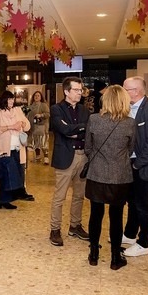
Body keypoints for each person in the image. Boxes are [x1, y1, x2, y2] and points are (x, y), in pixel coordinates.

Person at [85, 85, 135, 271]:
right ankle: (115, 257)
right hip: (120, 176)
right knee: (116, 217)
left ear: (105, 100)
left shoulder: (94, 119)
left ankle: (93, 254)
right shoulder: (129, 123)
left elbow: (88, 147)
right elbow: (131, 149)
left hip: (97, 174)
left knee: (95, 215)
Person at [122, 76, 148, 257]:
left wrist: (137, 165)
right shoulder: (129, 109)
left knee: (143, 206)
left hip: (144, 166)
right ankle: (130, 234)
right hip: (133, 164)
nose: (123, 93)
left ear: (136, 91)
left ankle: (143, 242)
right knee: (132, 202)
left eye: (126, 89)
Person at [49, 76, 90, 246]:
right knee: (60, 197)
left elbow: (87, 131)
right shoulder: (56, 109)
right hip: (65, 157)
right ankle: (55, 229)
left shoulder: (84, 110)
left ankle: (75, 225)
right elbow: (63, 129)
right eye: (76, 90)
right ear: (66, 91)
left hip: (83, 156)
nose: (80, 93)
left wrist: (73, 131)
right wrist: (75, 129)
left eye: (81, 90)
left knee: (79, 196)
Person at [0, 90, 34, 208]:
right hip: (5, 149)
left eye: (12, 99)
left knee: (19, 172)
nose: (11, 101)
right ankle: (4, 200)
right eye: (9, 99)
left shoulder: (17, 110)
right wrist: (11, 127)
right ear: (4, 100)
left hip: (18, 148)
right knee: (7, 174)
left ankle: (16, 195)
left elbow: (28, 125)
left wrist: (22, 124)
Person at [26, 90, 50, 165]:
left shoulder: (43, 105)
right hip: (33, 127)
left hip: (42, 127)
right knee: (35, 143)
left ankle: (46, 158)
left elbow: (48, 114)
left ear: (41, 97)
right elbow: (27, 115)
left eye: (38, 95)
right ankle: (38, 157)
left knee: (43, 143)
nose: (36, 97)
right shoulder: (30, 106)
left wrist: (41, 115)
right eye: (35, 96)